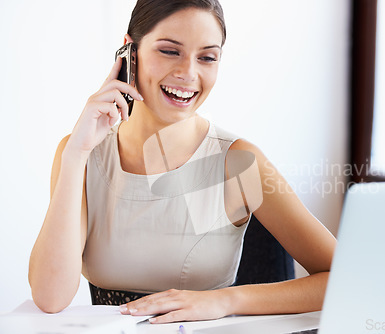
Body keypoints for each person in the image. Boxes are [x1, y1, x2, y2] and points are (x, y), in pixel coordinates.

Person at [28, 0, 336, 324]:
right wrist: (76, 155)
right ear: (129, 52)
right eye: (170, 51)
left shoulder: (238, 163)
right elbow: (50, 298)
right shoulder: (82, 155)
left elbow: (344, 277)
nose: (188, 73)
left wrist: (225, 300)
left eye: (206, 57)